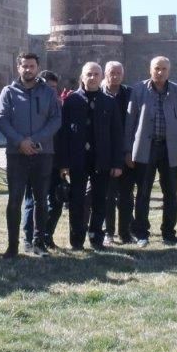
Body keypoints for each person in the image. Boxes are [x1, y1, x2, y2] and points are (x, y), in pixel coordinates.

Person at [0, 52, 62, 258]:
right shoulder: (8, 92)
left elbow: (55, 120)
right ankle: (13, 245)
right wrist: (20, 142)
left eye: (31, 66)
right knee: (14, 200)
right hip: (17, 154)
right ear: (18, 68)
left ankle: (38, 242)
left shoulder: (48, 93)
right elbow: (2, 119)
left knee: (41, 200)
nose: (28, 69)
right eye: (24, 66)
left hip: (43, 154)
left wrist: (34, 141)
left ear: (37, 67)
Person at [56, 62, 124, 250]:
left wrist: (117, 162)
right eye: (89, 74)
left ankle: (96, 237)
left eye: (96, 74)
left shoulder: (109, 102)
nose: (92, 77)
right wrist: (63, 163)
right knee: (76, 200)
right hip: (77, 159)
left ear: (102, 77)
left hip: (102, 159)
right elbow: (63, 135)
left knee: (100, 200)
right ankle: (76, 239)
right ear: (82, 77)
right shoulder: (71, 101)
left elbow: (117, 134)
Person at [125, 56, 177, 245]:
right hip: (145, 148)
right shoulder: (138, 90)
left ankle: (169, 233)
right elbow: (130, 122)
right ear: (150, 69)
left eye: (163, 69)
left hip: (170, 149)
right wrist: (128, 150)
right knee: (143, 192)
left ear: (169, 71)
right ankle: (142, 233)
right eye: (156, 68)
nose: (160, 72)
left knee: (170, 192)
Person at [23, 69, 63, 250]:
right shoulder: (32, 106)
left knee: (56, 201)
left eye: (54, 88)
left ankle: (46, 235)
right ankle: (29, 239)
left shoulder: (61, 107)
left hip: (55, 161)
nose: (51, 92)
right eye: (48, 87)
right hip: (35, 158)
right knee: (33, 201)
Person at [101, 61, 133, 244]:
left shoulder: (130, 94)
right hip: (106, 153)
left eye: (118, 73)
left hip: (126, 152)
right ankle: (108, 232)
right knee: (108, 196)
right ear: (105, 74)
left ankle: (125, 232)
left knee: (126, 196)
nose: (115, 76)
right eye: (112, 72)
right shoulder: (99, 95)